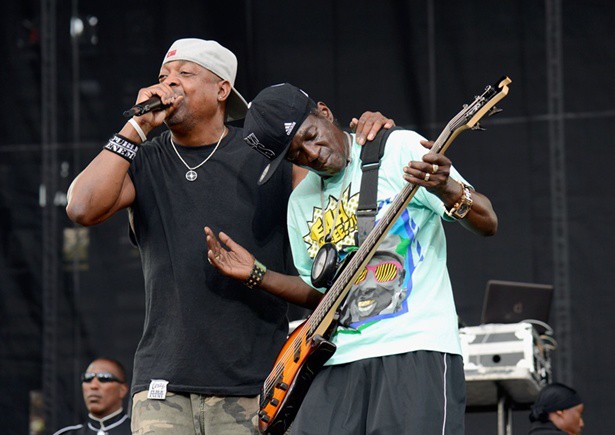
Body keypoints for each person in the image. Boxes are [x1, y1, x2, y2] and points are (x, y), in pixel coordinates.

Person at [65, 38, 393, 434]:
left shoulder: (266, 155)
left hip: (253, 384)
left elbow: (334, 174)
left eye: (185, 74)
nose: (169, 84)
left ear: (223, 90)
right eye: (163, 76)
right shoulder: (147, 160)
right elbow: (82, 208)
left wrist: (371, 135)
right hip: (162, 385)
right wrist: (135, 126)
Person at [205, 83, 498, 434]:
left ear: (325, 113)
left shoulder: (396, 149)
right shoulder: (300, 202)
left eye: (311, 136)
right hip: (337, 358)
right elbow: (320, 294)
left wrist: (446, 188)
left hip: (413, 346)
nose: (310, 154)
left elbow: (487, 222)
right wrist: (257, 274)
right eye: (295, 155)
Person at [53, 358, 130, 435]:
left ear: (122, 390)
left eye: (104, 378)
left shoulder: (137, 431)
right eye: (88, 379)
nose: (93, 386)